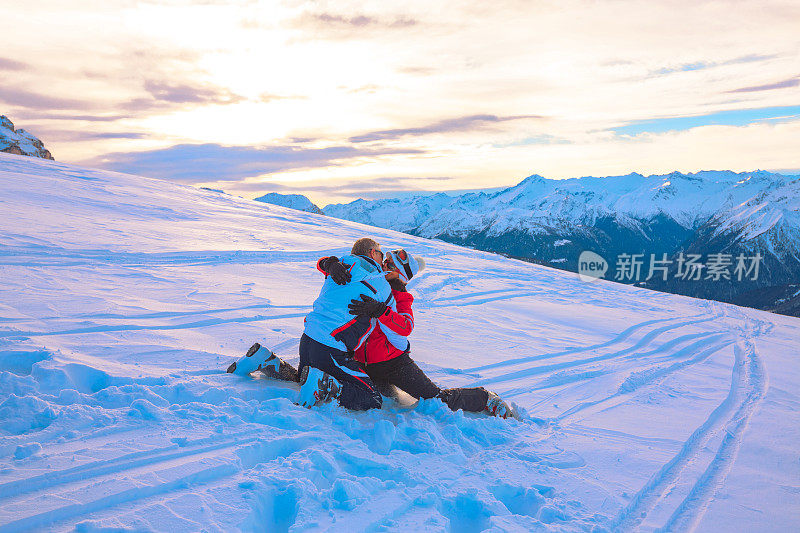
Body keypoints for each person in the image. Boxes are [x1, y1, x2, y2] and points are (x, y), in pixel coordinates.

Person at [319, 248, 516, 418]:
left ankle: (484, 398)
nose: (385, 266)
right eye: (385, 262)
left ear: (401, 275)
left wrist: (380, 311)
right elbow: (326, 267)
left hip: (394, 364)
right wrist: (330, 264)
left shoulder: (402, 298)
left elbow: (405, 326)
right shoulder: (370, 281)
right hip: (361, 361)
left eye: (391, 265)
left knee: (434, 399)